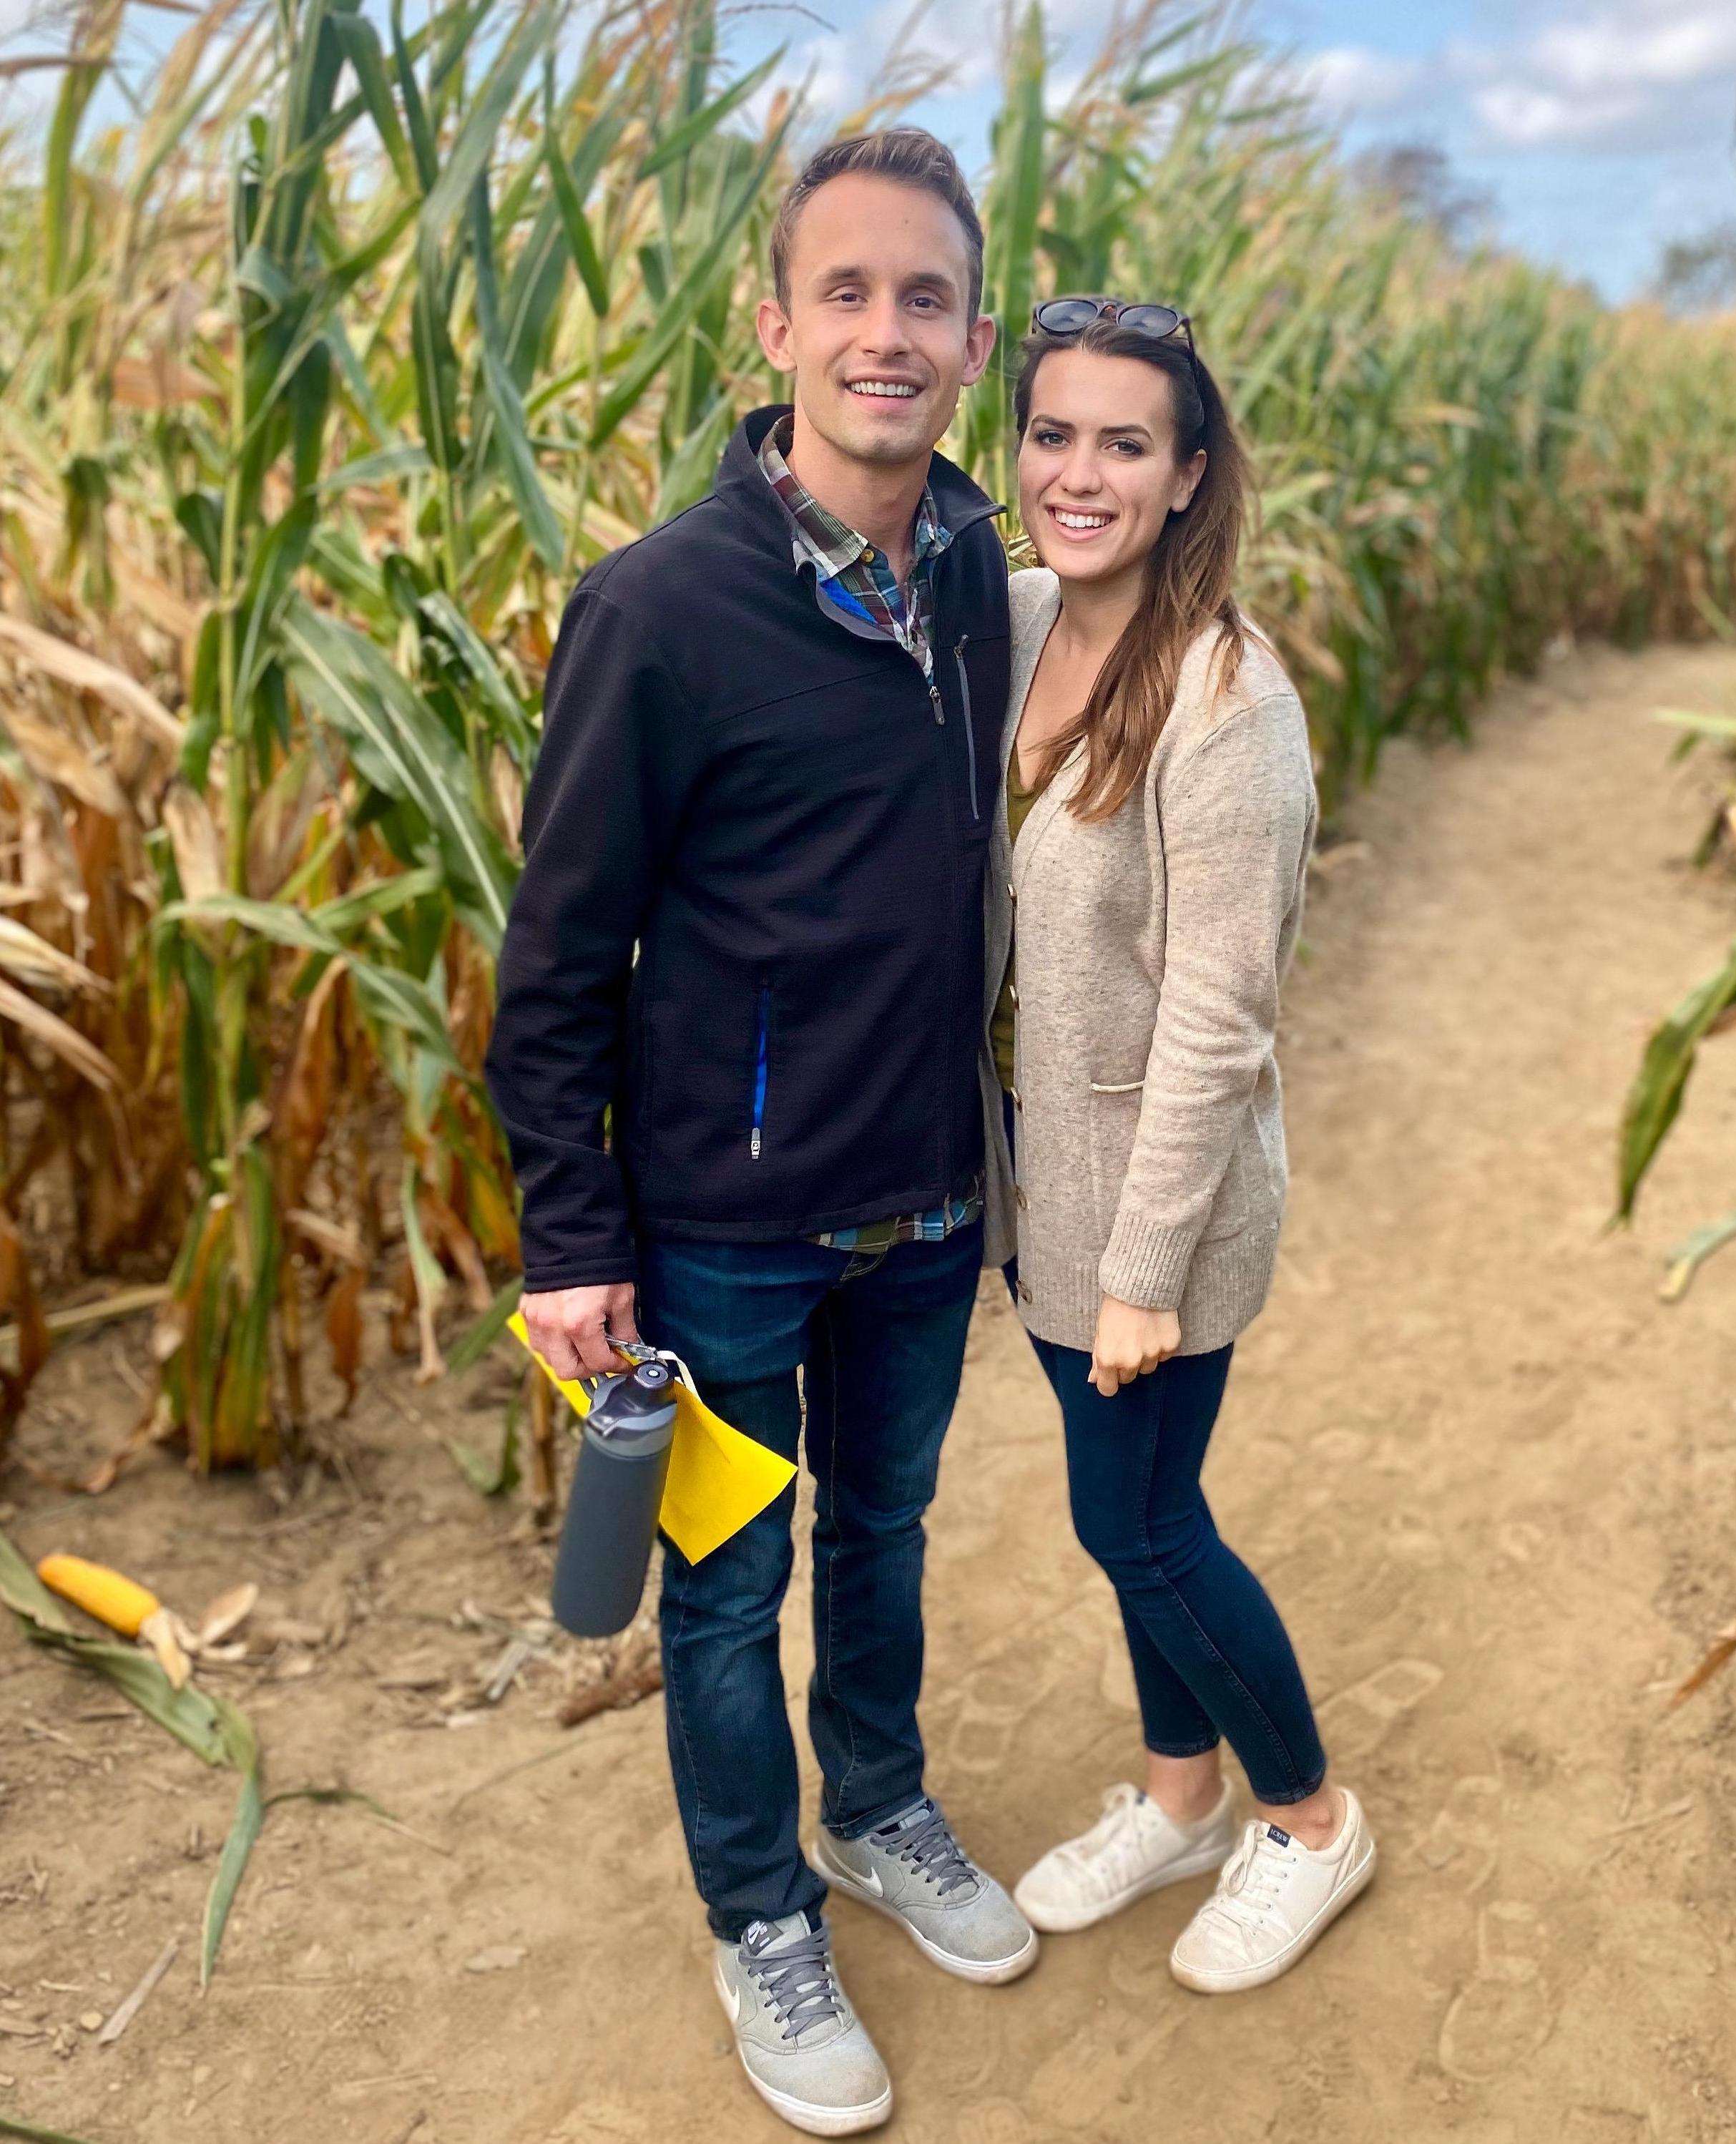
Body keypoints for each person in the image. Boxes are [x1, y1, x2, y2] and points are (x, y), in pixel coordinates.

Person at [485, 129, 1036, 2139]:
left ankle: (879, 1803)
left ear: (970, 337)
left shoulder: (981, 574)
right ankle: (756, 1909)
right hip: (719, 1227)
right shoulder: (658, 606)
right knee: (723, 1589)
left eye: (923, 300)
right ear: (774, 322)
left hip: (920, 1200)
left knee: (881, 1534)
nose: (883, 334)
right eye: (847, 293)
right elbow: (556, 952)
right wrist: (570, 1234)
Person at [979, 298, 1376, 1994]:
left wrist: (1139, 1273)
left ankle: (1305, 1814)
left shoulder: (1227, 701)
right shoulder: (1004, 623)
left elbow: (1220, 1018)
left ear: (1187, 470)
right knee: (1135, 1504)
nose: (1080, 472)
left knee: (1139, 1526)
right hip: (1030, 1179)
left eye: (1123, 442)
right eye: (1052, 433)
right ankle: (1178, 1794)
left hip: (1154, 1211)